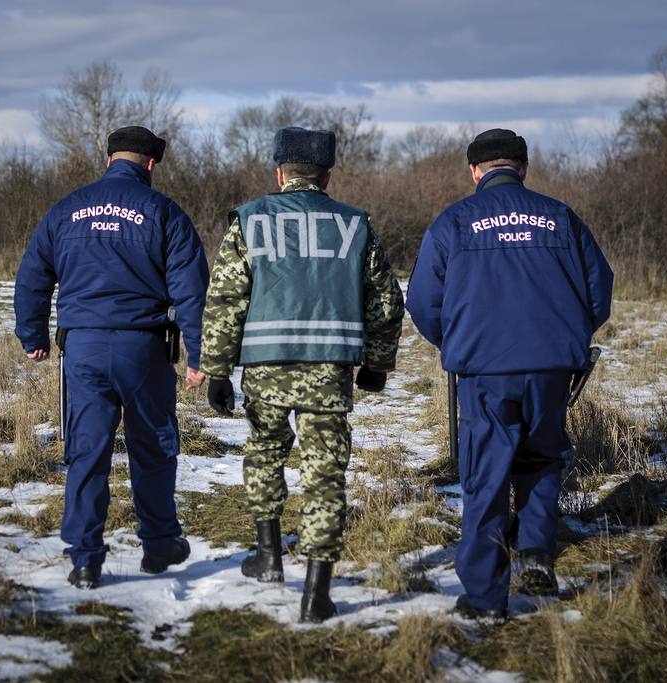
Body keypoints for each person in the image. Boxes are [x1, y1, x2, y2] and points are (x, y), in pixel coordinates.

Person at [406, 129, 613, 625]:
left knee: (486, 473)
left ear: (475, 171)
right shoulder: (561, 216)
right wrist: (565, 338)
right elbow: (598, 292)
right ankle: (538, 556)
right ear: (523, 167)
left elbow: (421, 301)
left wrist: (456, 344)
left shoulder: (454, 221)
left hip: (484, 370)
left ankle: (484, 598)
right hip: (551, 367)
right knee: (543, 456)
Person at [200, 127, 404, 623]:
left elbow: (225, 298)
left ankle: (268, 557)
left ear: (279, 172)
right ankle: (317, 593)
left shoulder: (248, 220)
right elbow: (385, 301)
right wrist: (376, 364)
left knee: (265, 453)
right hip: (328, 369)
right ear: (328, 175)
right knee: (325, 474)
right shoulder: (355, 224)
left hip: (265, 368)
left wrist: (218, 370)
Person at [14, 126, 209, 589]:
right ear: (151, 163)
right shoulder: (163, 211)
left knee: (87, 451)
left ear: (109, 159)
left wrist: (32, 335)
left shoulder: (66, 209)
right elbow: (191, 291)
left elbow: (32, 276)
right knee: (154, 447)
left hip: (80, 348)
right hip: (142, 348)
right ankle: (159, 544)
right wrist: (200, 355)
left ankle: (85, 558)